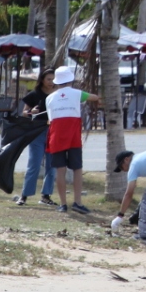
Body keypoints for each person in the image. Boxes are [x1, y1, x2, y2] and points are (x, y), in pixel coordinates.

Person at [44, 65, 91, 215]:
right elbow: (94, 98)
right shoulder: (78, 93)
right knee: (77, 169)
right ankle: (78, 202)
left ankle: (63, 204)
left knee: (60, 170)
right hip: (73, 136)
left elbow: (50, 118)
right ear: (70, 80)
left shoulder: (49, 98)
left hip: (56, 136)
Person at [14, 72, 56, 208]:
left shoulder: (58, 94)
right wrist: (31, 112)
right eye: (48, 79)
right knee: (34, 164)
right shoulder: (34, 94)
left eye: (53, 79)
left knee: (52, 165)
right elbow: (24, 113)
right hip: (38, 132)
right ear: (42, 80)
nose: (51, 82)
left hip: (54, 131)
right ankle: (24, 195)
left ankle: (46, 195)